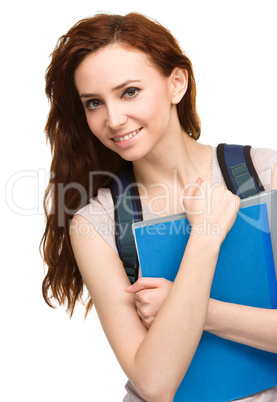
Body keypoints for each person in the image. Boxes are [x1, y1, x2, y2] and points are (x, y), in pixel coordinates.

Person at [41, 12, 277, 401]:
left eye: (129, 91)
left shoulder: (264, 174)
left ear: (176, 83)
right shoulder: (95, 223)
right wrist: (204, 235)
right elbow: (154, 384)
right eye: (94, 103)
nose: (114, 119)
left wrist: (194, 311)